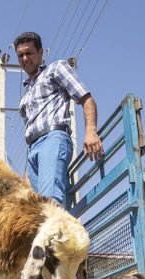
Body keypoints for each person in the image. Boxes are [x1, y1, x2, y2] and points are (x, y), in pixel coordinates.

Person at [14, 32, 104, 208]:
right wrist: (27, 173)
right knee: (35, 210)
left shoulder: (55, 69)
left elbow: (86, 99)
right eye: (20, 55)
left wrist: (91, 132)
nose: (25, 59)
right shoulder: (26, 95)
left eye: (29, 53)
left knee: (50, 203)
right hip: (33, 150)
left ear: (40, 52)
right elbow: (30, 132)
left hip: (53, 139)